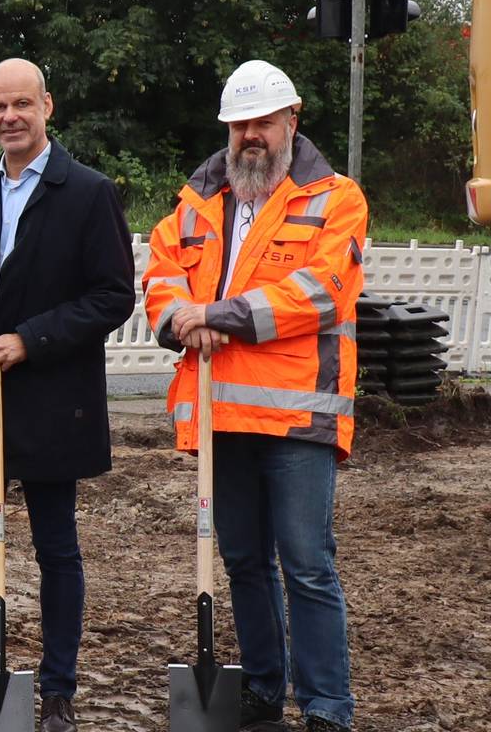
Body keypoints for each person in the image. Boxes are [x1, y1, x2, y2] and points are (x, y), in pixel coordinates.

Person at [143, 60, 365, 732]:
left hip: (298, 416)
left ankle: (326, 707)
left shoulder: (335, 199)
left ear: (291, 122)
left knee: (305, 563)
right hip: (221, 413)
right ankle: (265, 689)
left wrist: (219, 316)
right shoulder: (197, 201)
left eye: (263, 123)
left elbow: (321, 293)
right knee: (242, 561)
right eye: (240, 126)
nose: (250, 137)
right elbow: (162, 271)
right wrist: (181, 316)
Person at [0, 59, 134, 732]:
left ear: (47, 106)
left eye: (21, 105)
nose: (8, 117)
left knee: (56, 547)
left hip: (52, 399)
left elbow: (112, 296)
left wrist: (29, 340)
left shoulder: (87, 193)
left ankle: (58, 692)